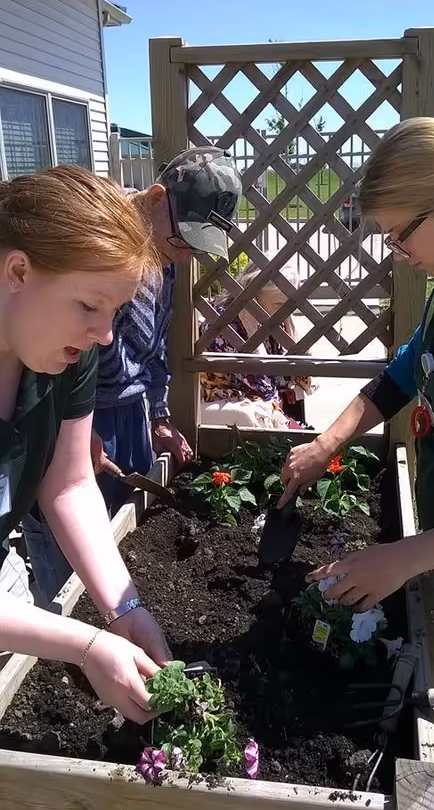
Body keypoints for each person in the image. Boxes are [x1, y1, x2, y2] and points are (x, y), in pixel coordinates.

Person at [279, 117, 434, 794]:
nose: (396, 251)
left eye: (402, 232)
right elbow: (399, 378)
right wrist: (325, 445)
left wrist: (403, 556)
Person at [22, 147, 243, 599]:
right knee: (69, 567)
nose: (185, 257)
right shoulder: (93, 238)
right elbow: (38, 346)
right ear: (156, 198)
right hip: (67, 418)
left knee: (130, 542)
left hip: (127, 414)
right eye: (185, 242)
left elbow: (156, 346)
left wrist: (159, 416)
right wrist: (70, 425)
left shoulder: (165, 257)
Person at [0, 165, 171, 724]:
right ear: (18, 271)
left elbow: (70, 484)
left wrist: (125, 610)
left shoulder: (61, 354)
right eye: (88, 306)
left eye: (114, 312)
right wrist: (88, 645)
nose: (104, 333)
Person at [200, 261, 313, 429]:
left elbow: (302, 381)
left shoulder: (269, 320)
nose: (285, 312)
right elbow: (264, 389)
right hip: (225, 402)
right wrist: (252, 332)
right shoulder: (225, 326)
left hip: (261, 404)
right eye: (279, 305)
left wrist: (291, 331)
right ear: (254, 293)